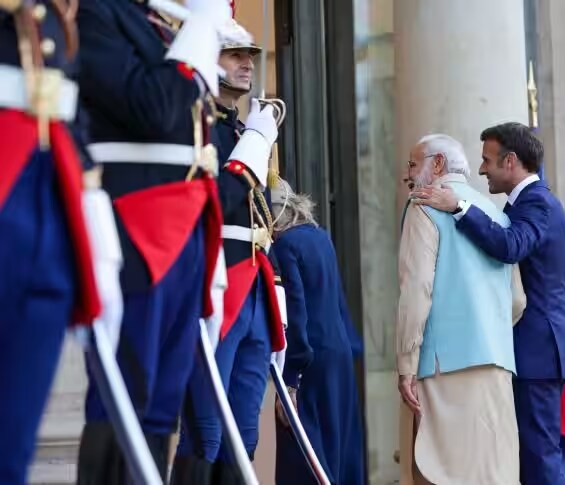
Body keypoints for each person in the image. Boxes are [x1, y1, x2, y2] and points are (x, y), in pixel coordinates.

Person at [75, 1, 278, 480]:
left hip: (188, 237)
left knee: (164, 403)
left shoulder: (164, 28)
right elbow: (157, 108)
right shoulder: (99, 15)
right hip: (137, 227)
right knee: (126, 398)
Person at [411, 122, 565, 485]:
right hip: (536, 349)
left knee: (539, 457)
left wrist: (459, 206)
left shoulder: (538, 203)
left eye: (487, 160)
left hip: (537, 350)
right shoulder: (530, 203)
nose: (482, 168)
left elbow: (510, 246)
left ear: (511, 161)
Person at [0, 2, 122, 483]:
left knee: (12, 451)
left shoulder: (50, 15)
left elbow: (72, 120)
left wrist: (101, 247)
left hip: (48, 231)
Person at [172, 17, 286, 483]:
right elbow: (212, 199)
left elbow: (262, 219)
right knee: (206, 431)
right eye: (234, 53)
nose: (246, 64)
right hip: (215, 281)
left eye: (250, 57)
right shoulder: (194, 123)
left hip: (253, 284)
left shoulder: (241, 128)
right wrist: (256, 145)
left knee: (244, 434)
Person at [396, 134, 524, 485]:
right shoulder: (495, 213)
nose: (407, 174)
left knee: (439, 474)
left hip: (442, 367)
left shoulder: (424, 203)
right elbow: (517, 300)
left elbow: (416, 290)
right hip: (497, 364)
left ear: (436, 165)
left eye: (412, 164)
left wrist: (406, 363)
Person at [270, 178, 365, 485]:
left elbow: (295, 311)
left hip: (310, 359)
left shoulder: (285, 246)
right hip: (338, 354)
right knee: (339, 445)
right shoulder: (320, 237)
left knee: (306, 452)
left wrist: (291, 379)